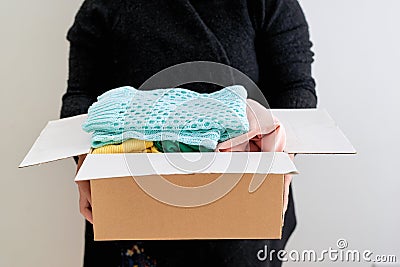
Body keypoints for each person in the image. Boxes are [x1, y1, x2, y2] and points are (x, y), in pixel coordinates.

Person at [60, 0, 317, 266]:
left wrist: (277, 151)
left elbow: (296, 88)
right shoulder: (104, 6)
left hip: (243, 204)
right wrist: (86, 161)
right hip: (129, 206)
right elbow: (80, 96)